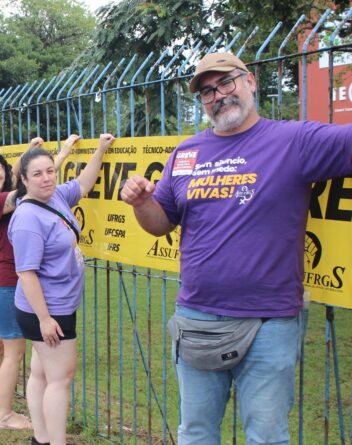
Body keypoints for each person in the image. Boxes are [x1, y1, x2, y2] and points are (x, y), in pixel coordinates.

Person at [120, 52, 352, 445]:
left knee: (266, 436)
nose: (218, 96)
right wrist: (143, 202)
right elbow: (162, 225)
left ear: (250, 82)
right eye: (207, 92)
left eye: (226, 83)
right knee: (195, 433)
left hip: (270, 321)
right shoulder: (186, 154)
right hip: (197, 317)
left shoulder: (293, 141)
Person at [8, 133, 113, 445]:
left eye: (50, 171)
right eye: (37, 174)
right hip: (47, 310)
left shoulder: (53, 197)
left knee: (41, 374)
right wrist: (44, 319)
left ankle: (40, 439)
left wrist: (101, 150)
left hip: (55, 306)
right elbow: (26, 273)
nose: (46, 179)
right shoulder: (28, 217)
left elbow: (83, 184)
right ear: (24, 179)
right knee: (60, 379)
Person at [0, 136, 76, 429]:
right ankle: (4, 414)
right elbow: (33, 185)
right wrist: (59, 154)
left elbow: (24, 177)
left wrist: (33, 153)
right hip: (4, 284)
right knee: (13, 353)